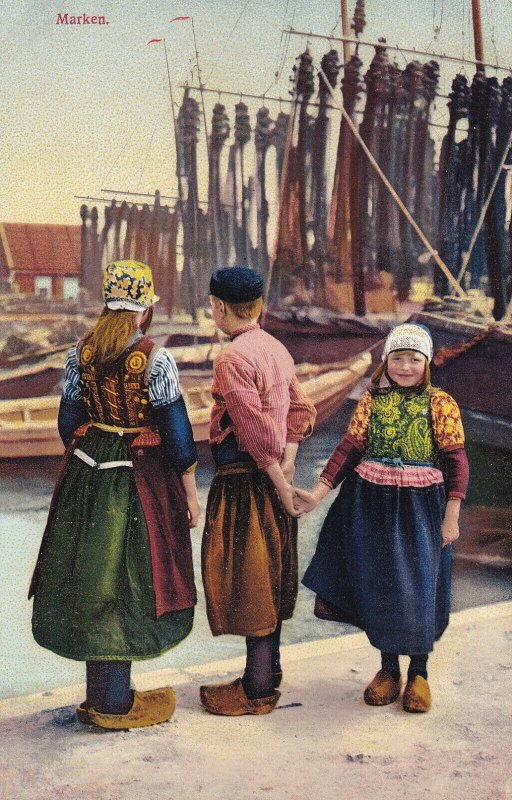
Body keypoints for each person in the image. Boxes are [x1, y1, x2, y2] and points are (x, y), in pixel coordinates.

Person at [29, 260, 200, 730]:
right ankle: (115, 704)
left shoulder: (79, 354)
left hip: (87, 475)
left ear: (107, 304)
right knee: (130, 581)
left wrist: (94, 453)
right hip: (139, 478)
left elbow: (69, 426)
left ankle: (101, 695)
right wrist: (190, 495)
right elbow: (180, 439)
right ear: (144, 310)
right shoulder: (156, 359)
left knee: (91, 579)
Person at [296, 323, 469, 713]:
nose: (405, 366)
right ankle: (388, 671)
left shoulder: (440, 403)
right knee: (381, 586)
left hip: (421, 507)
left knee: (419, 587)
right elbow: (348, 450)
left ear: (426, 363)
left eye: (413, 359)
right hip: (370, 503)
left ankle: (419, 674)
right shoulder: (372, 401)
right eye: (397, 358)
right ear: (385, 361)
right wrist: (317, 493)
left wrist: (452, 515)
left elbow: (457, 460)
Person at [199, 266, 317, 716]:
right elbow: (301, 410)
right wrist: (288, 464)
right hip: (271, 482)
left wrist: (276, 473)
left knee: (249, 583)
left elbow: (252, 431)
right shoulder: (276, 348)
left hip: (247, 485)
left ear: (219, 308)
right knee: (270, 578)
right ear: (260, 306)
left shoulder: (231, 359)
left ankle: (256, 691)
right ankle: (267, 674)